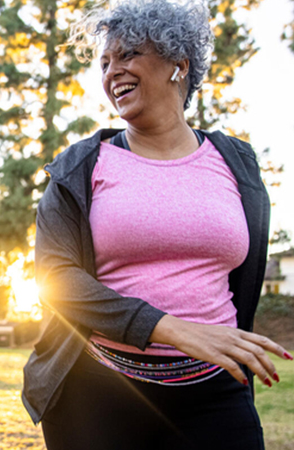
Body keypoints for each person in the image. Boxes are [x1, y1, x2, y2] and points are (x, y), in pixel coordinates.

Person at [22, 1, 293, 449]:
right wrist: (172, 329)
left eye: (128, 55)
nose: (112, 72)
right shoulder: (79, 167)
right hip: (101, 394)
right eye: (105, 62)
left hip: (216, 393)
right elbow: (56, 281)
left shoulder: (236, 163)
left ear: (178, 65)